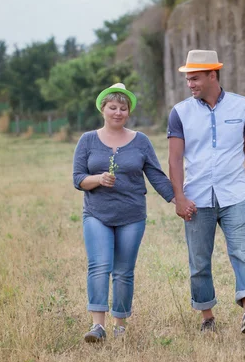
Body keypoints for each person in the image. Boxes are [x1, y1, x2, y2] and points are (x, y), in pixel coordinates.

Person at [73, 83, 195, 343]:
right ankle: (98, 326)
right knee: (99, 265)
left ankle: (120, 325)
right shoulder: (87, 140)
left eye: (123, 108)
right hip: (97, 213)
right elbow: (78, 178)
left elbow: (155, 175)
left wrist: (177, 200)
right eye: (112, 107)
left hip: (132, 215)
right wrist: (97, 179)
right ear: (103, 109)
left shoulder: (140, 141)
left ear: (128, 112)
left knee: (123, 271)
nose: (118, 112)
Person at [167, 49, 245, 334]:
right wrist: (179, 197)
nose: (190, 84)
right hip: (197, 198)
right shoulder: (180, 113)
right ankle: (207, 316)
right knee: (199, 261)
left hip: (235, 195)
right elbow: (174, 159)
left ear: (212, 75)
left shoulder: (242, 106)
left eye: (195, 78)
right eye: (188, 79)